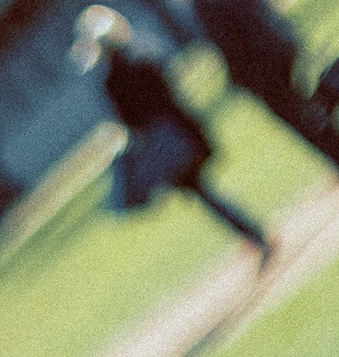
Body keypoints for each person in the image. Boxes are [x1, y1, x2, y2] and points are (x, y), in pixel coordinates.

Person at [75, 5, 274, 253]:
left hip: (166, 141)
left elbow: (131, 121)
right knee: (202, 190)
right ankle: (251, 233)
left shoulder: (113, 78)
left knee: (201, 191)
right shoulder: (142, 54)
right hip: (181, 127)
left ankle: (253, 234)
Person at [193, 0, 339, 172]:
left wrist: (237, 75)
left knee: (296, 113)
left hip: (260, 64)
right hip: (278, 46)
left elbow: (228, 39)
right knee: (301, 104)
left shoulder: (204, 4)